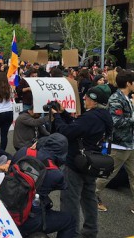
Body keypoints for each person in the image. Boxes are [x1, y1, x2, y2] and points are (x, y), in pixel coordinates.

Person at [53, 86, 113, 237]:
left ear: (93, 101)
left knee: (70, 200)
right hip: (91, 162)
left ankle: (70, 233)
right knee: (89, 199)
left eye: (86, 98)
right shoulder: (104, 115)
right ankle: (91, 230)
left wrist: (57, 117)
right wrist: (64, 113)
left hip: (76, 163)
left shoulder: (90, 117)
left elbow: (67, 132)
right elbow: (78, 126)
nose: (84, 99)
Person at [12, 134, 76, 237]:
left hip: (8, 204)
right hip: (28, 219)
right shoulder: (55, 173)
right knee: (70, 220)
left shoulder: (23, 152)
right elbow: (63, 185)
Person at [96, 70, 134, 213]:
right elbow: (116, 121)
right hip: (119, 144)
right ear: (129, 83)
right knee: (107, 174)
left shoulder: (127, 98)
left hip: (130, 143)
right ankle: (92, 196)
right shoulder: (116, 99)